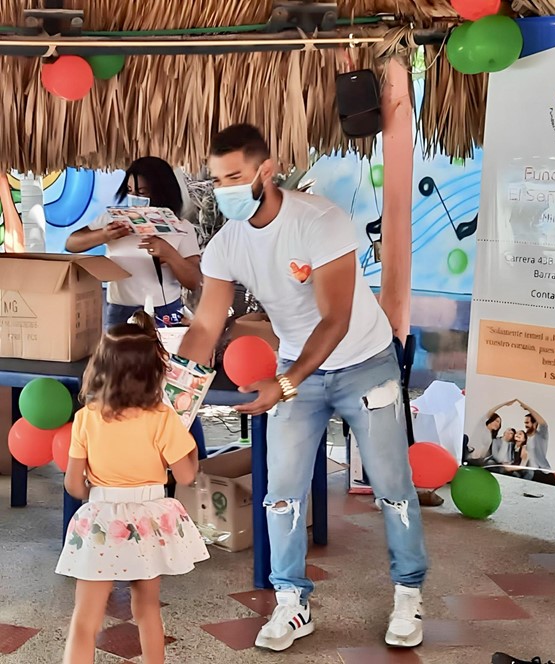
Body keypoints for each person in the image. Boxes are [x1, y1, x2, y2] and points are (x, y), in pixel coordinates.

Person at [178, 124, 428, 652]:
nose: (224, 190)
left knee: (392, 487)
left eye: (235, 177)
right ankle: (291, 602)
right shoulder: (227, 244)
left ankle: (408, 593)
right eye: (217, 179)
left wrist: (285, 384)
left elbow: (336, 318)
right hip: (296, 369)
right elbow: (204, 327)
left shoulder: (320, 221)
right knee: (282, 495)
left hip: (365, 363)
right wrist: (173, 395)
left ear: (266, 171)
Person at [56, 311, 209, 664]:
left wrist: (98, 495)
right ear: (153, 371)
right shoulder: (163, 417)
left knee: (85, 619)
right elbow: (186, 475)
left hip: (101, 519)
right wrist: (189, 446)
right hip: (148, 522)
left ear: (100, 366)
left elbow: (73, 484)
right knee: (147, 610)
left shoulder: (86, 417)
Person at [65, 157, 202, 328]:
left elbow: (193, 281)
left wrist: (170, 255)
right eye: (130, 191)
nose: (134, 197)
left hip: (164, 312)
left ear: (161, 191)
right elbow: (71, 244)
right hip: (119, 311)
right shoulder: (112, 220)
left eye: (142, 193)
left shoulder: (181, 227)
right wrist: (104, 235)